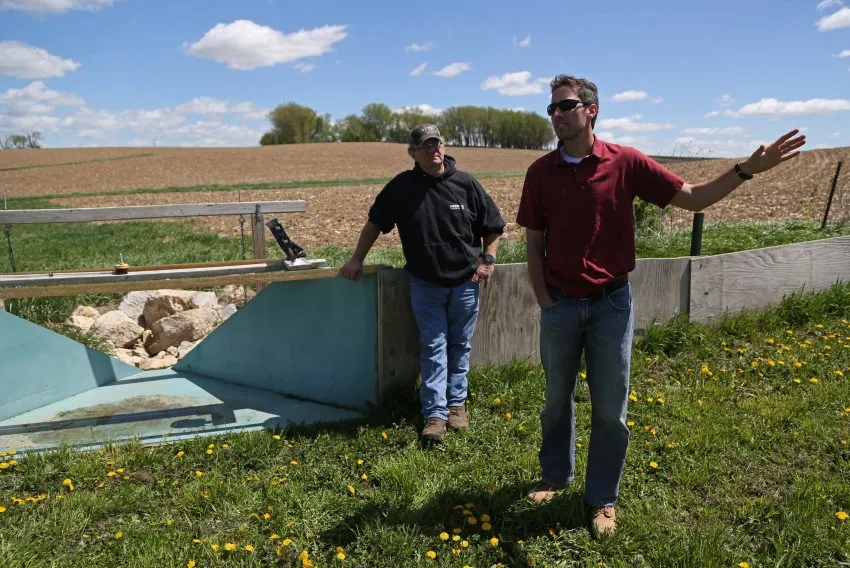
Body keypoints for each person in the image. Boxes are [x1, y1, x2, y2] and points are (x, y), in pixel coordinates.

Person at [515, 74, 806, 538]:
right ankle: (555, 475)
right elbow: (534, 241)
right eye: (551, 108)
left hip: (612, 304)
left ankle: (602, 498)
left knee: (610, 408)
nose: (556, 115)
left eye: (565, 106)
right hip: (561, 305)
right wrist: (544, 298)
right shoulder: (540, 173)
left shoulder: (624, 162)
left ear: (590, 110)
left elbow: (692, 198)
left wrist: (745, 170)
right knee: (555, 400)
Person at [341, 124, 506, 443]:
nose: (434, 150)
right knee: (433, 347)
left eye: (438, 144)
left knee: (460, 345)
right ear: (413, 153)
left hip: (466, 283)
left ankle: (457, 404)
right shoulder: (402, 187)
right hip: (425, 283)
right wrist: (356, 259)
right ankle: (435, 414)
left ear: (444, 147)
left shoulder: (466, 184)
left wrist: (488, 259)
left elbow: (494, 225)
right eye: (426, 146)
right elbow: (375, 223)